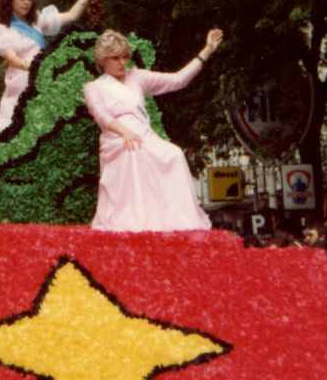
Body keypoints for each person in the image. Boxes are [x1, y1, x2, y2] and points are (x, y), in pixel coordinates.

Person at [82, 28, 223, 232]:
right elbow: (102, 116)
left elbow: (177, 80)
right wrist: (124, 132)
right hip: (117, 138)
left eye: (125, 57)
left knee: (174, 154)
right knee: (133, 151)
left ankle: (176, 220)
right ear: (103, 59)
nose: (122, 63)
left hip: (144, 135)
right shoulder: (94, 87)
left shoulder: (137, 77)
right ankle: (133, 221)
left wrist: (206, 52)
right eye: (116, 58)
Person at [0, 0, 102, 134]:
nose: (26, 2)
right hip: (22, 82)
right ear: (10, 1)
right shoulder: (3, 29)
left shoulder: (37, 21)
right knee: (14, 128)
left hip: (44, 77)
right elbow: (13, 60)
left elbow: (71, 15)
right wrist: (37, 68)